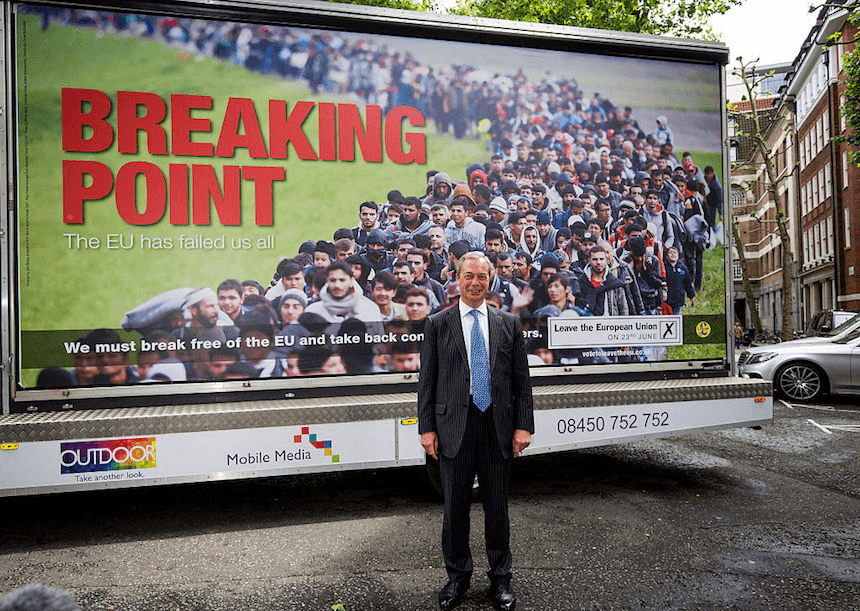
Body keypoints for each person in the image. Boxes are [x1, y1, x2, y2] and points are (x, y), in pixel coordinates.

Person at [418, 251, 534, 611]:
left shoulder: (508, 324)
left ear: (490, 280)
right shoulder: (438, 323)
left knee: (497, 509)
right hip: (454, 428)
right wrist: (427, 429)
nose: (474, 283)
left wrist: (522, 425)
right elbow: (428, 381)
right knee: (455, 509)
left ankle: (501, 580)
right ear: (457, 278)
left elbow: (521, 381)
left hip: (497, 428)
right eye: (468, 276)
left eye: (481, 277)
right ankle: (457, 577)